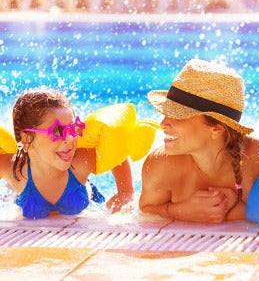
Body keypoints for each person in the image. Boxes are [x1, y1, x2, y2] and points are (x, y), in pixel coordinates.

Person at [139, 59, 259, 223]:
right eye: (166, 113)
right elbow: (145, 211)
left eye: (178, 115)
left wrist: (234, 212)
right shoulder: (161, 166)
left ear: (216, 129)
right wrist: (180, 211)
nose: (163, 124)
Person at [0, 88, 152, 219]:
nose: (70, 138)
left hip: (86, 198)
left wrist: (125, 192)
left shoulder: (80, 163)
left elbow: (116, 153)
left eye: (73, 129)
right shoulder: (14, 169)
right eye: (58, 131)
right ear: (27, 139)